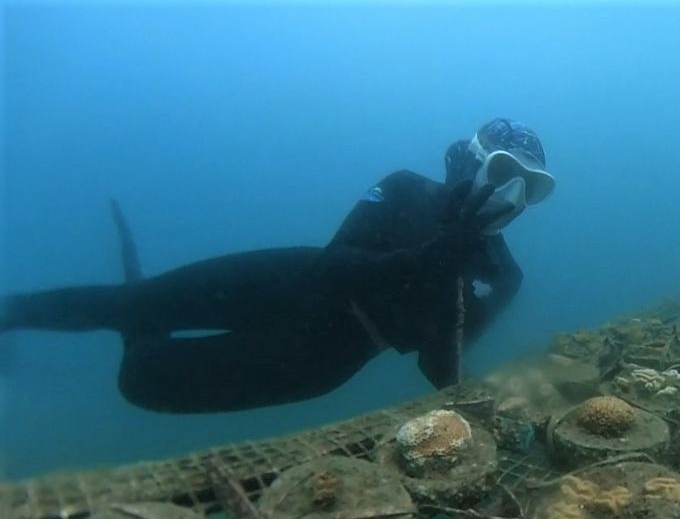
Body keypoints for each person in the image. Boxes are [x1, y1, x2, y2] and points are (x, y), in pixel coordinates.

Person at [1, 118, 555, 413]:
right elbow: (335, 264)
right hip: (292, 279)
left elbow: (440, 369)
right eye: (505, 169)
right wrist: (438, 248)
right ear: (473, 158)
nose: (512, 192)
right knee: (126, 303)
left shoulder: (502, 275)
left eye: (531, 187)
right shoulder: (408, 189)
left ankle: (140, 333)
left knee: (141, 380)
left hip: (326, 354)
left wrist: (452, 272)